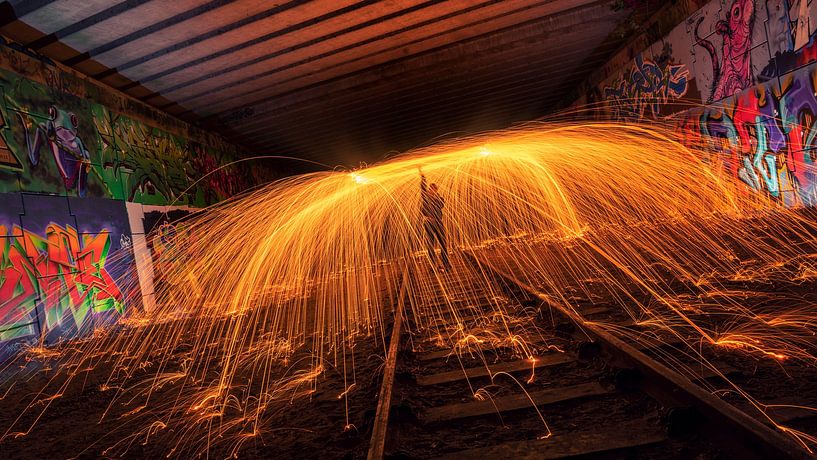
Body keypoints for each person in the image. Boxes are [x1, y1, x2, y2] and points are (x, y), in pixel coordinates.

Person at [419, 166, 451, 270]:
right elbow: (422, 187)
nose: (432, 190)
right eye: (430, 189)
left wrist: (436, 197)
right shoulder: (425, 197)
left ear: (436, 190)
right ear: (428, 189)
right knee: (430, 245)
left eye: (434, 189)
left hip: (438, 222)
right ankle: (433, 266)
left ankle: (446, 264)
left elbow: (442, 205)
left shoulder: (439, 199)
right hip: (428, 223)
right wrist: (422, 176)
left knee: (443, 244)